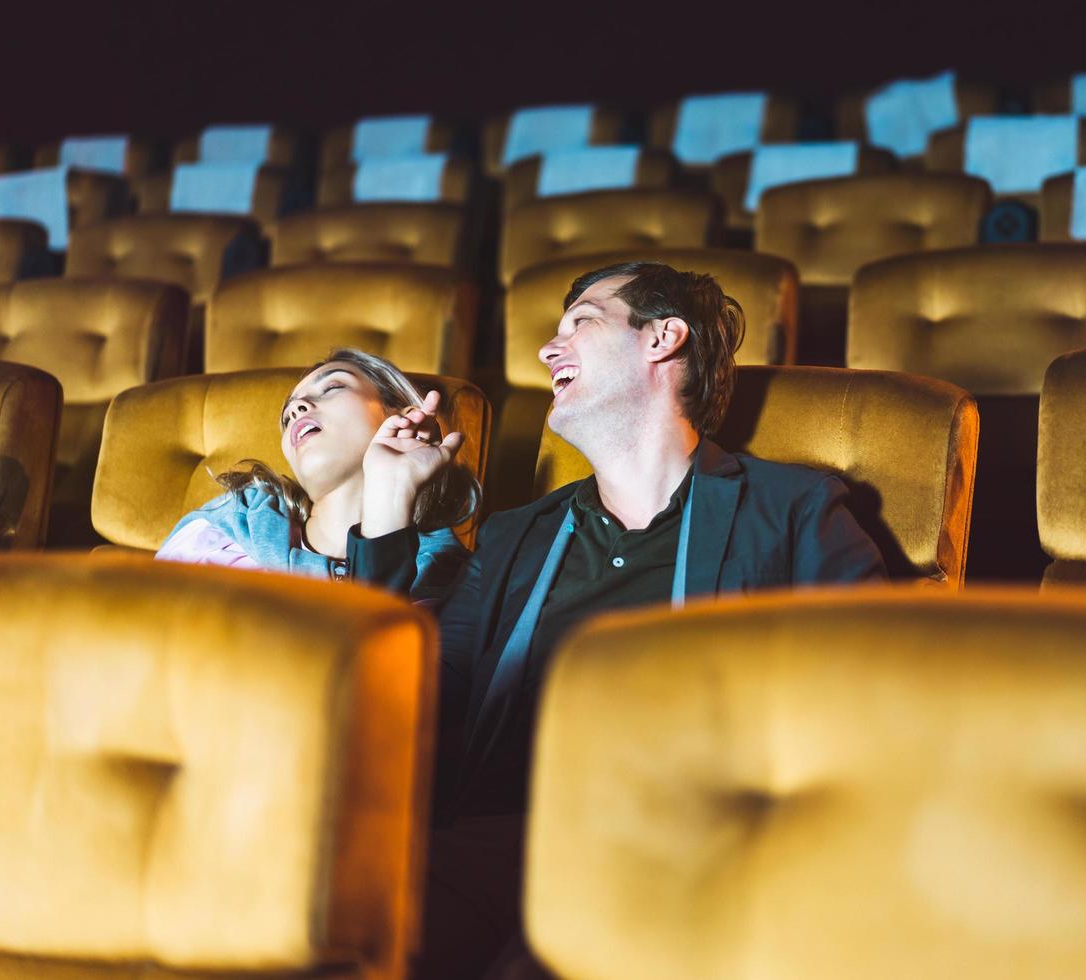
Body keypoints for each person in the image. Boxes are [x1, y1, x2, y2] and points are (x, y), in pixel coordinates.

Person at [348, 262, 885, 977]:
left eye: (582, 323)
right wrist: (386, 510)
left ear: (663, 338)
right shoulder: (516, 536)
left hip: (675, 851)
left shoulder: (789, 509)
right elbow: (403, 696)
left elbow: (866, 697)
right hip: (495, 845)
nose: (547, 348)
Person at [156, 347, 475, 591]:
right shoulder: (224, 527)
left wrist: (390, 497)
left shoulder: (450, 579)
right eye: (287, 414)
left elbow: (371, 672)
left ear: (403, 416)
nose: (296, 409)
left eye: (333, 388)